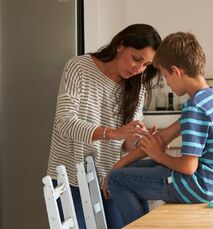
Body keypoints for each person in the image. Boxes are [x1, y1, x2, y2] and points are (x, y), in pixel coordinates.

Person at [107, 32, 213, 227]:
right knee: (122, 172)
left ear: (176, 71)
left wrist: (159, 155)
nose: (167, 83)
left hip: (199, 186)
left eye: (166, 76)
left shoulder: (196, 108)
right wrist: (118, 165)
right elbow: (162, 138)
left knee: (118, 180)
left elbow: (188, 167)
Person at [46, 24, 162, 229]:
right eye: (136, 59)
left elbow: (125, 147)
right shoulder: (78, 67)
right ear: (120, 45)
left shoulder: (138, 87)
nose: (139, 69)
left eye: (146, 65)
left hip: (109, 180)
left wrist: (138, 138)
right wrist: (112, 133)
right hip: (70, 176)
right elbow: (64, 122)